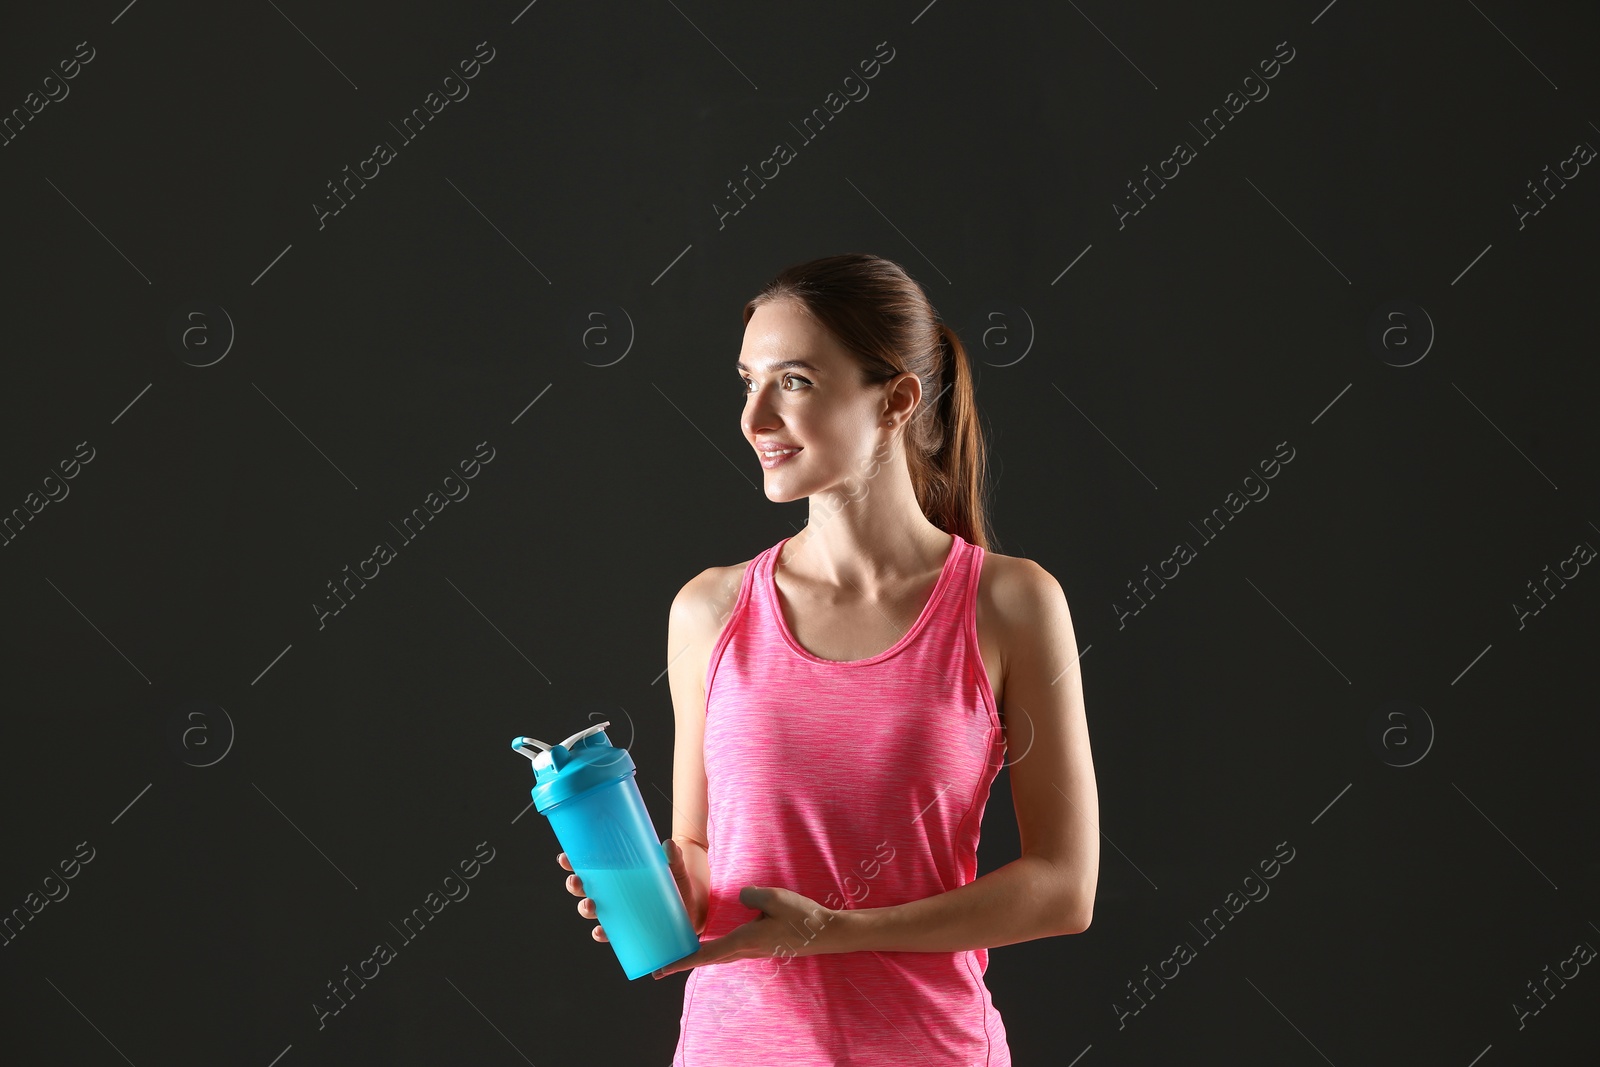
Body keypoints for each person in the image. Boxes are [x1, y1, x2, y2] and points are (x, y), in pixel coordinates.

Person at [558, 252, 1099, 1065]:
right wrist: (661, 889)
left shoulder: (1010, 604)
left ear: (897, 399)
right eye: (748, 380)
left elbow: (1064, 885)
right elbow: (702, 850)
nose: (753, 417)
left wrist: (840, 933)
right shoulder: (709, 609)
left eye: (796, 381)